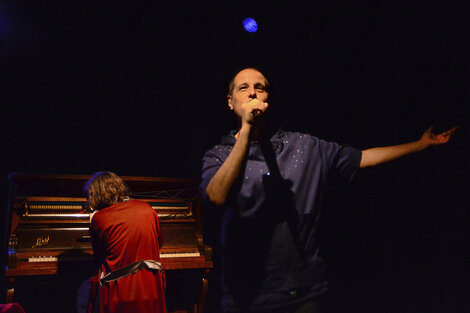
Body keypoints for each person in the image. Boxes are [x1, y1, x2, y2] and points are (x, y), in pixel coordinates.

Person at [200, 67, 458, 313]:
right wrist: (246, 130)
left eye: (260, 87)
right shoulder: (219, 155)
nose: (253, 93)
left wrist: (420, 145)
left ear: (269, 98)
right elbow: (216, 196)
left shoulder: (303, 145)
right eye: (244, 88)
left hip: (305, 294)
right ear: (231, 102)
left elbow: (362, 158)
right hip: (248, 298)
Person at [84, 171, 166, 313]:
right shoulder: (147, 208)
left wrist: (92, 221)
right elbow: (158, 243)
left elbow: (98, 256)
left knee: (82, 294)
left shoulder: (99, 219)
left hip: (119, 291)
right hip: (152, 285)